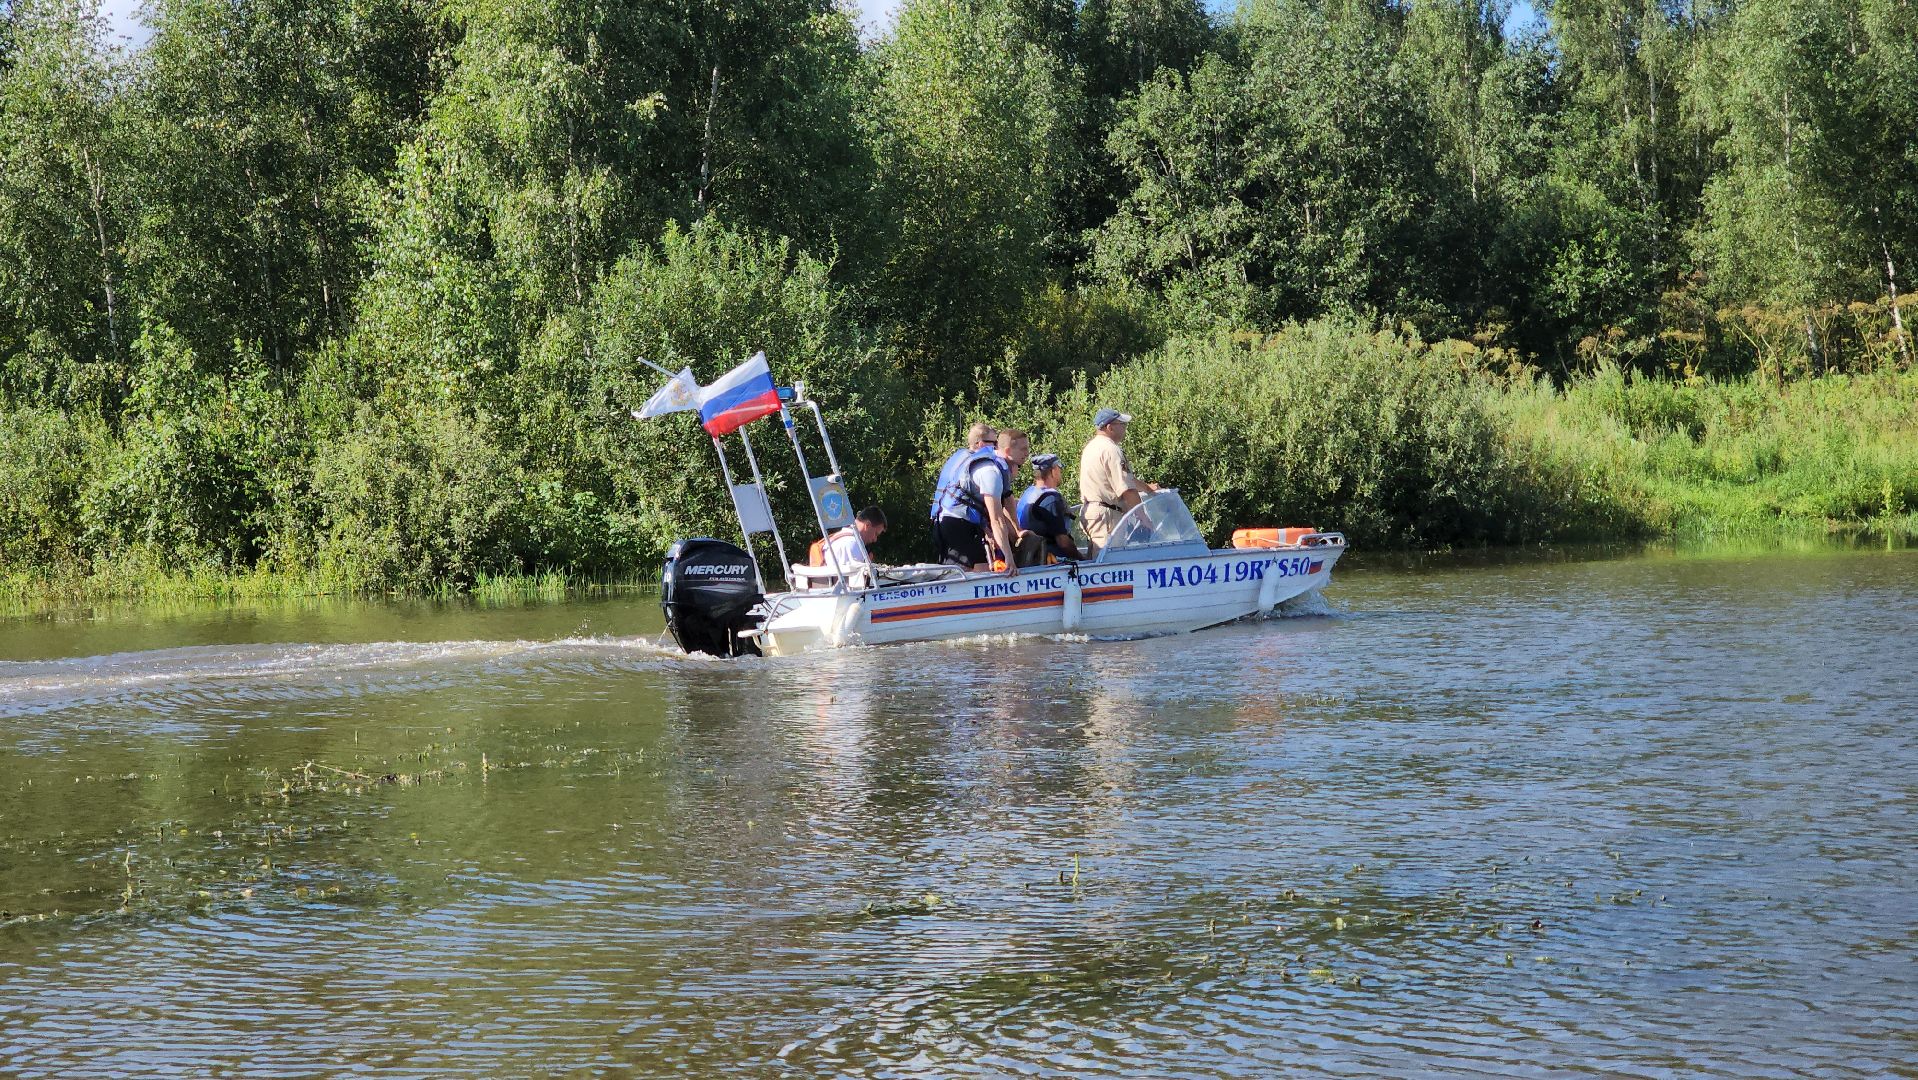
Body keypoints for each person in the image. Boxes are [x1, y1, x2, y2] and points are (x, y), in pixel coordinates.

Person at [931, 424, 1018, 572]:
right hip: (958, 524)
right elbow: (995, 515)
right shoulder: (981, 465)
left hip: (941, 523)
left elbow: (966, 500)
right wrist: (1009, 554)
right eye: (994, 443)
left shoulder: (960, 458)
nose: (997, 447)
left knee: (958, 570)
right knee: (976, 570)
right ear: (981, 443)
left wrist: (985, 529)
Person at [1077, 407, 1155, 554]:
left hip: (1094, 511)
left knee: (1096, 559)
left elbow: (1123, 479)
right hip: (1107, 514)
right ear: (1109, 427)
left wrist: (1147, 488)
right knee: (1108, 563)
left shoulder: (1091, 447)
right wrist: (1143, 518)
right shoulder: (1111, 449)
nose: (1125, 428)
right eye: (1121, 424)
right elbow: (1127, 489)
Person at [1014, 453, 1082, 564]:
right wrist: (1083, 560)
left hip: (1029, 559)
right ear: (1054, 471)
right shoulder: (1051, 499)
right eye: (1059, 469)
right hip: (1050, 562)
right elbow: (1063, 543)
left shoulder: (1029, 493)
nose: (1060, 473)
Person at [823, 506, 887, 579]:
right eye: (876, 533)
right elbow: (857, 583)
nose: (875, 539)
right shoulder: (853, 544)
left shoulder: (837, 538)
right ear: (867, 525)